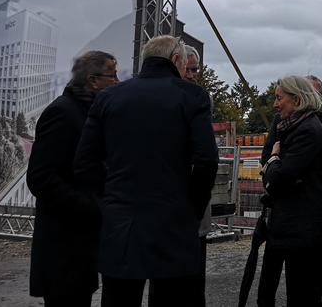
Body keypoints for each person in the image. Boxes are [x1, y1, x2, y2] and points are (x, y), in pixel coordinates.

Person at [74, 35, 218, 307]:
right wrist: (192, 209)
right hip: (174, 224)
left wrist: (109, 201)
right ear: (176, 60)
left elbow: (85, 163)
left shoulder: (108, 97)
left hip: (122, 224)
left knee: (119, 299)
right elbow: (207, 161)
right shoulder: (192, 96)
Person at [26, 50, 117, 307]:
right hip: (62, 246)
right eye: (113, 75)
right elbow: (40, 178)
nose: (117, 81)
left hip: (79, 244)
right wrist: (91, 206)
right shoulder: (63, 113)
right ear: (93, 80)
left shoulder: (85, 112)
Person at [258, 75, 322, 306]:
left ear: (297, 99)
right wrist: (273, 166)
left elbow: (280, 176)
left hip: (305, 228)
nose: (275, 104)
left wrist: (273, 159)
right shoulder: (296, 126)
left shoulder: (307, 130)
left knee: (304, 294)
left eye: (279, 98)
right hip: (295, 226)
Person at [182, 44, 211, 307]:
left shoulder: (199, 97)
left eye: (196, 70)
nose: (192, 74)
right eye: (188, 69)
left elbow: (206, 159)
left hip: (193, 205)